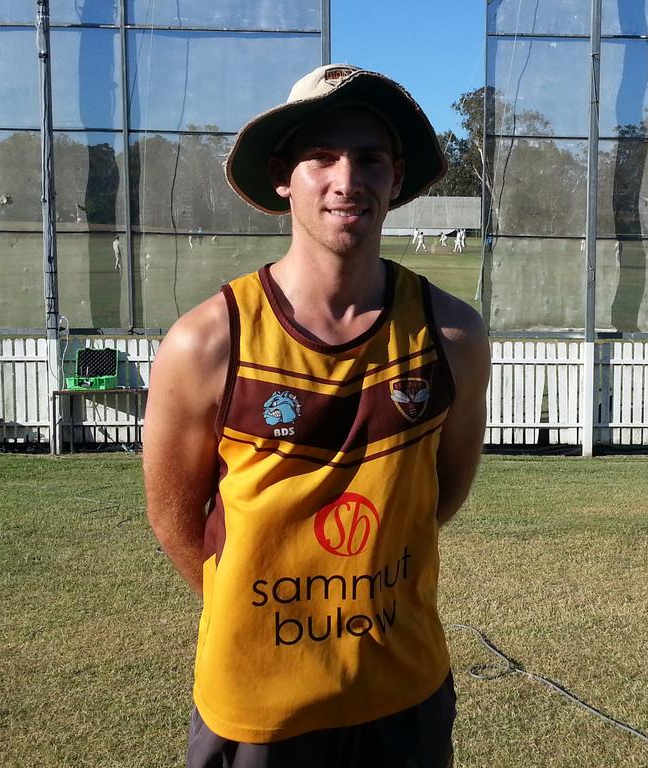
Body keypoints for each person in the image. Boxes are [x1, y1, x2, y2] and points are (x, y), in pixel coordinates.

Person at [143, 63, 490, 768]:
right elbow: (175, 520)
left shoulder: (451, 335)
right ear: (282, 177)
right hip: (256, 706)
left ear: (395, 178)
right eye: (322, 157)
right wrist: (261, 609)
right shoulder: (207, 341)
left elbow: (439, 496)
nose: (346, 179)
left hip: (404, 693)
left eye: (368, 159)